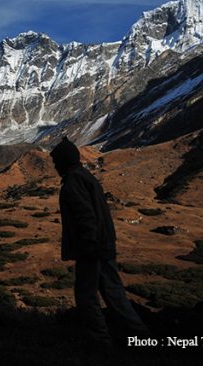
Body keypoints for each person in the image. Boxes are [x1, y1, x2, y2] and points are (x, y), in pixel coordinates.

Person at [50, 137, 150, 347]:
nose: (55, 166)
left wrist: (87, 245)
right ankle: (140, 337)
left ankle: (99, 341)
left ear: (64, 161)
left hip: (91, 248)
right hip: (104, 245)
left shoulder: (74, 181)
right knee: (114, 293)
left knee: (86, 296)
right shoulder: (86, 177)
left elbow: (85, 216)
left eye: (56, 161)